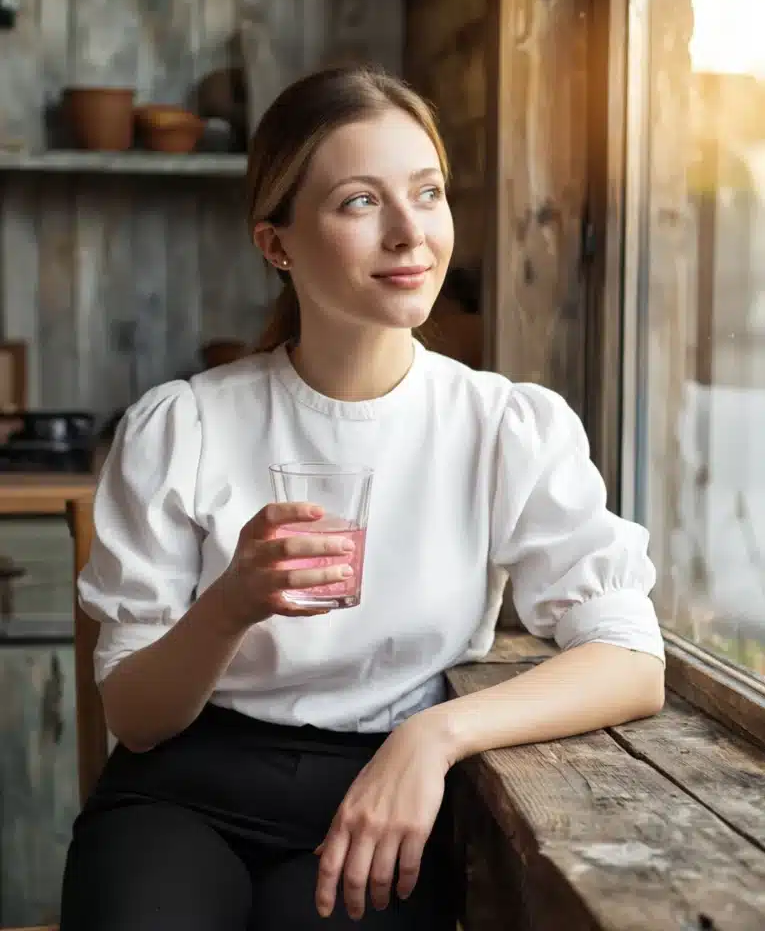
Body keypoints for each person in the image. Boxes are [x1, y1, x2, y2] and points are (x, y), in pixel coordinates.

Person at [59, 65, 665, 931]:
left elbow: (632, 661)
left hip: (388, 793)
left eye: (427, 193)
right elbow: (138, 719)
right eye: (358, 202)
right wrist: (229, 604)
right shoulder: (181, 425)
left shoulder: (505, 426)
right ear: (277, 243)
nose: (409, 233)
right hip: (181, 791)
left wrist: (435, 737)